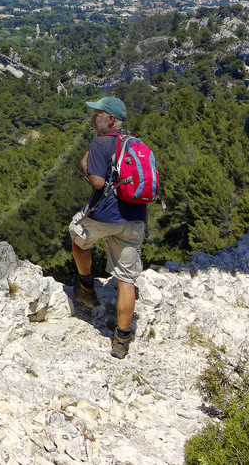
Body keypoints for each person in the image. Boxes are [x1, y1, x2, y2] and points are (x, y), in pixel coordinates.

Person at [69, 94, 147, 359]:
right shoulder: (136, 143)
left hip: (104, 216)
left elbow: (98, 183)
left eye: (97, 115)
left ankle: (87, 289)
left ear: (110, 119)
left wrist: (84, 166)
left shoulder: (101, 143)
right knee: (126, 279)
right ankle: (122, 341)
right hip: (134, 218)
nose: (93, 119)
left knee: (77, 236)